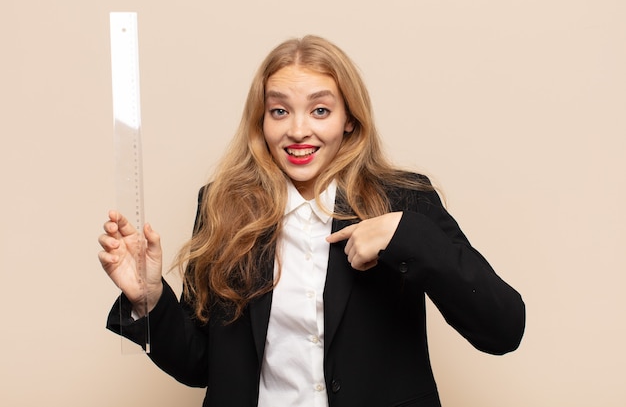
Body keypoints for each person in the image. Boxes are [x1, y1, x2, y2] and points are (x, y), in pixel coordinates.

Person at [98, 35, 525, 407]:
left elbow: (502, 328)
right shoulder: (223, 207)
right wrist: (149, 299)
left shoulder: (404, 200)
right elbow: (203, 367)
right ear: (261, 122)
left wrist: (405, 234)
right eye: (279, 111)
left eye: (320, 111)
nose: (298, 130)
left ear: (350, 121)